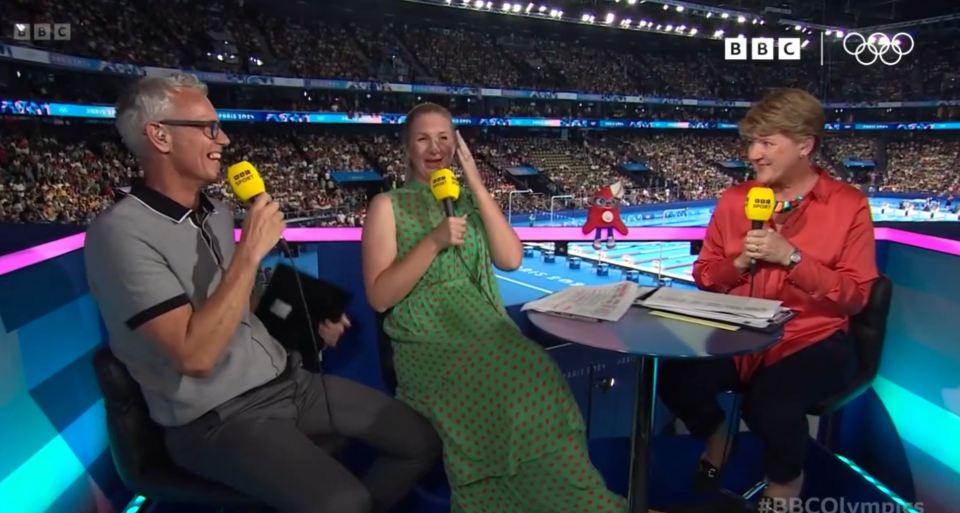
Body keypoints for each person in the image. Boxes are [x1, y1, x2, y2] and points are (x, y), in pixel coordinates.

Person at [84, 74, 440, 513]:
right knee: (345, 502)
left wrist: (308, 320)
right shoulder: (118, 234)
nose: (225, 138)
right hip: (215, 419)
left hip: (290, 382)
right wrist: (250, 252)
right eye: (209, 128)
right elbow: (194, 355)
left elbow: (243, 305)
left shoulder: (215, 212)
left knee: (419, 442)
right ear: (159, 136)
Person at [360, 102, 625, 513]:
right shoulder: (387, 206)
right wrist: (433, 241)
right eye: (423, 139)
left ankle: (573, 500)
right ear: (407, 148)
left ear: (457, 145)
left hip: (481, 325)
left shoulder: (466, 200)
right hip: (426, 338)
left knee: (535, 369)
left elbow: (511, 259)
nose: (435, 148)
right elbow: (379, 296)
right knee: (501, 378)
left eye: (444, 138)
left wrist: (477, 184)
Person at [658, 89, 879, 511]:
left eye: (766, 143)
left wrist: (792, 258)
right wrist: (739, 261)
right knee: (676, 380)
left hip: (811, 338)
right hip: (740, 334)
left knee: (771, 405)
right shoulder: (735, 200)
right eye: (750, 142)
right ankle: (719, 441)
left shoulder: (848, 206)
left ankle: (785, 485)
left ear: (804, 145)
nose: (753, 154)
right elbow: (705, 275)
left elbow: (855, 298)